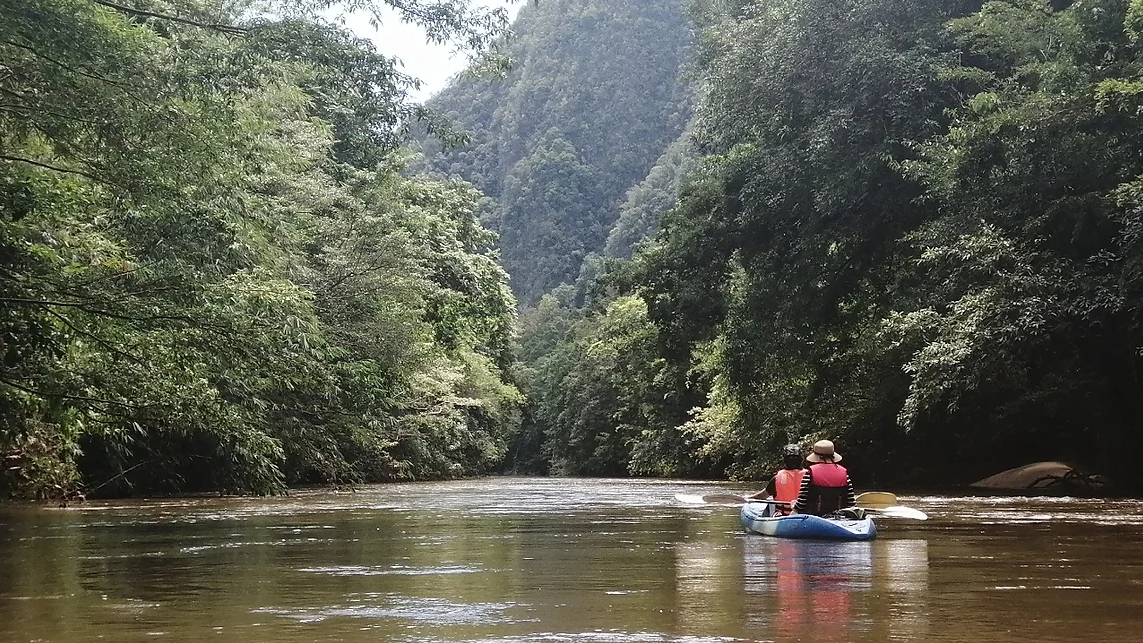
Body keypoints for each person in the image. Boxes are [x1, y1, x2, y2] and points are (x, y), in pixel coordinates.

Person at [790, 440, 857, 516]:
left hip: (814, 518)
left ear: (818, 457)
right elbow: (851, 504)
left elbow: (801, 504)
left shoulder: (810, 473)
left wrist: (794, 506)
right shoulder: (844, 474)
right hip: (839, 518)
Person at [749, 444, 805, 516]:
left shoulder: (777, 478)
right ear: (801, 459)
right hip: (805, 516)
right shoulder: (810, 476)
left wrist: (748, 498)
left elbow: (761, 496)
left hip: (783, 516)